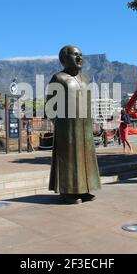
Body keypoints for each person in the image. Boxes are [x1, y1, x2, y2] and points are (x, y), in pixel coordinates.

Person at [46, 45, 101, 204]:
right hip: (67, 128)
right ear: (64, 59)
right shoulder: (59, 78)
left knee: (85, 158)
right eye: (75, 55)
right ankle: (67, 191)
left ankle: (84, 189)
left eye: (81, 55)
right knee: (70, 160)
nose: (79, 58)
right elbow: (50, 107)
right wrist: (61, 125)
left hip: (85, 127)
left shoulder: (85, 79)